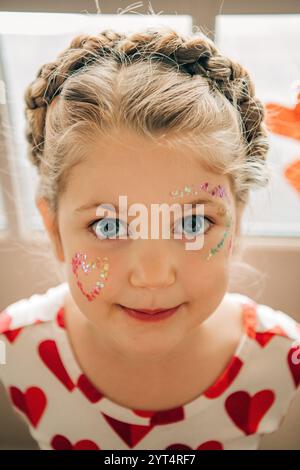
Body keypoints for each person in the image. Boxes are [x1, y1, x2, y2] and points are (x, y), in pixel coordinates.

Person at [0, 25, 299, 451]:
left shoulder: (285, 358)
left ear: (237, 222)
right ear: (54, 230)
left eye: (193, 224)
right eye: (109, 226)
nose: (153, 277)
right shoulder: (14, 349)